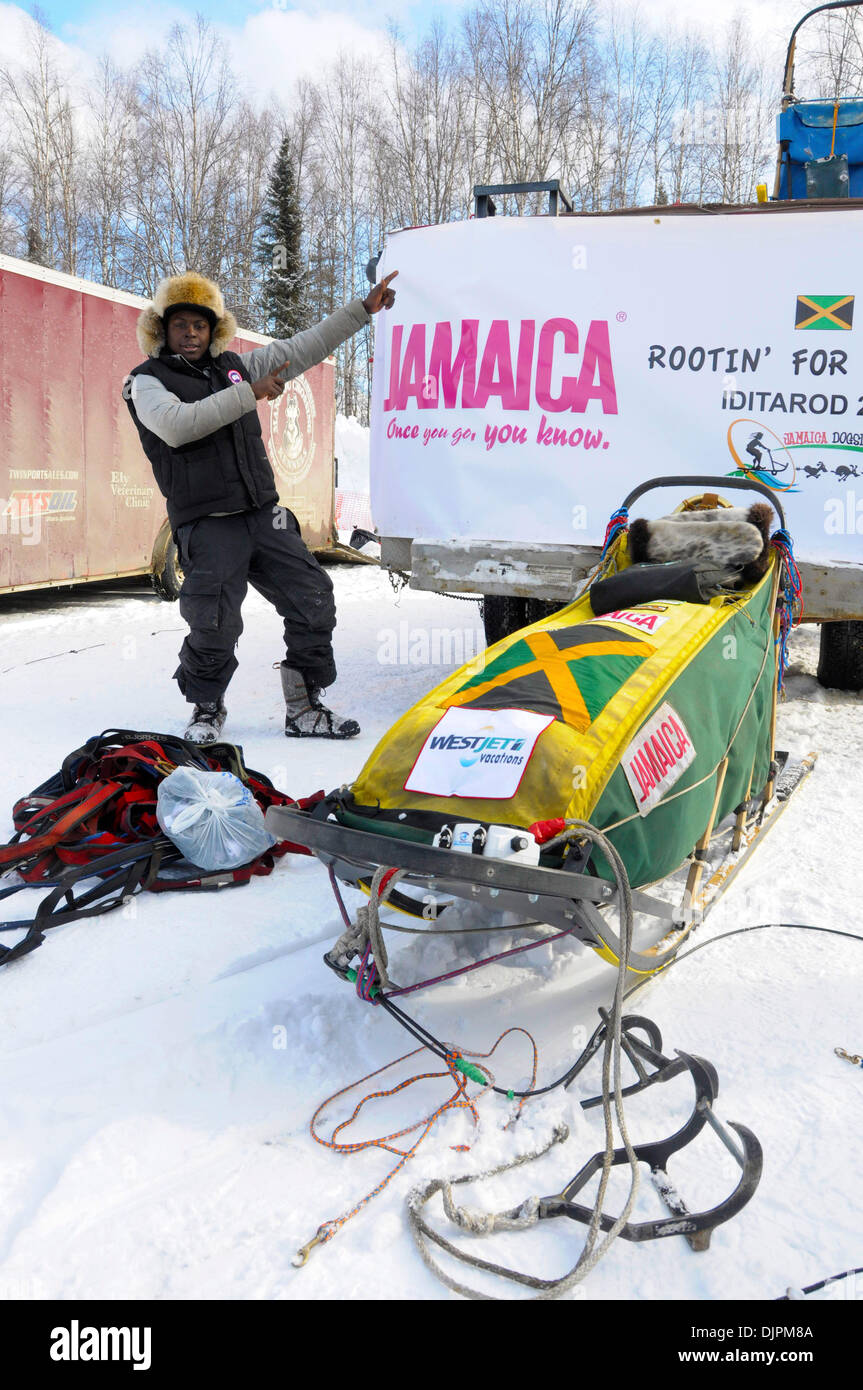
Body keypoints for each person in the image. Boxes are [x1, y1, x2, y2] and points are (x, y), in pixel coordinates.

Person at [122, 268, 397, 744]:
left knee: (313, 598)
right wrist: (248, 393)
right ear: (162, 329)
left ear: (214, 330)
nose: (190, 333)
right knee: (213, 621)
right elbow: (178, 426)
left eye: (200, 325)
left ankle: (304, 707)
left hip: (261, 514)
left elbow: (299, 349)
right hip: (207, 523)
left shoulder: (234, 366)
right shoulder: (146, 382)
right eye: (181, 324)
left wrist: (362, 311)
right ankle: (206, 711)